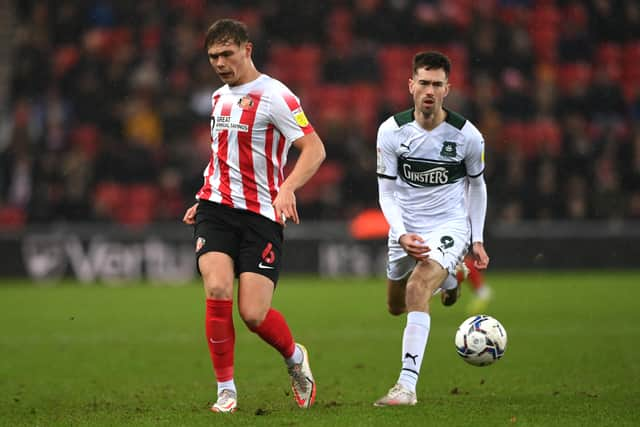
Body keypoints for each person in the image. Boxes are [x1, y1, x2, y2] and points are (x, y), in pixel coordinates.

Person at [182, 18, 326, 413]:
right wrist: (206, 193)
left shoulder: (276, 96)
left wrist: (287, 188)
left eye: (227, 53)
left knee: (253, 314)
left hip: (261, 215)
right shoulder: (217, 98)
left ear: (248, 50)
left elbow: (314, 149)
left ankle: (295, 357)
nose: (220, 63)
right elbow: (222, 154)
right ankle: (226, 390)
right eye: (213, 56)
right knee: (216, 289)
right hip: (215, 210)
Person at [374, 51, 490, 406]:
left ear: (447, 89)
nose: (429, 91)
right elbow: (387, 192)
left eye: (437, 84)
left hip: (448, 224)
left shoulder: (468, 136)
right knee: (395, 306)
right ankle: (452, 277)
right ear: (410, 85)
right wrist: (401, 232)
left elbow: (478, 186)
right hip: (405, 226)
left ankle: (406, 386)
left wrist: (478, 238)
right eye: (423, 82)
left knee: (418, 286)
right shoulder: (391, 132)